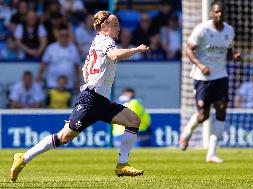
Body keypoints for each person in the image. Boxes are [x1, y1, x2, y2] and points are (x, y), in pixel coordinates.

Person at [10, 10, 150, 182]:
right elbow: (114, 55)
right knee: (64, 137)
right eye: (115, 25)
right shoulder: (106, 41)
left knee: (133, 120)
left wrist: (90, 76)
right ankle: (23, 158)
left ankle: (122, 165)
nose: (119, 28)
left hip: (101, 101)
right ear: (104, 27)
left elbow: (85, 67)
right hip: (91, 100)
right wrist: (137, 49)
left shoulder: (97, 41)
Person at [179, 1, 241, 163]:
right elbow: (188, 49)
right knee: (203, 115)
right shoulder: (202, 29)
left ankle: (211, 153)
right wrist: (200, 65)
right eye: (217, 12)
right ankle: (187, 132)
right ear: (211, 13)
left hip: (220, 76)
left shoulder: (229, 30)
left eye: (222, 12)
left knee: (222, 109)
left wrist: (233, 56)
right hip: (202, 78)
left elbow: (227, 52)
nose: (220, 14)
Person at [36, 25, 81, 92]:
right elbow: (44, 63)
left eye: (66, 36)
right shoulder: (51, 48)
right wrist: (39, 76)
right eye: (62, 36)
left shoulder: (73, 48)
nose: (64, 38)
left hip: (69, 84)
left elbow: (77, 66)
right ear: (58, 37)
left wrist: (78, 81)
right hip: (52, 83)